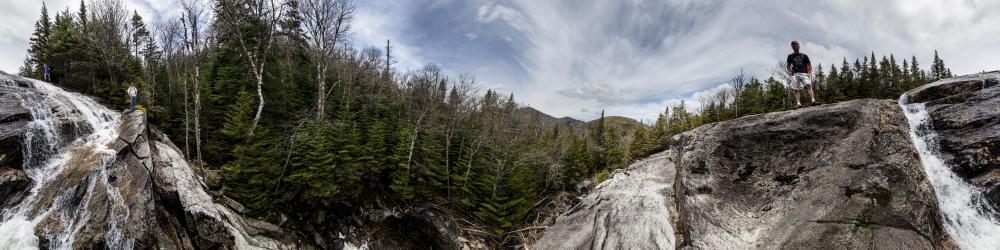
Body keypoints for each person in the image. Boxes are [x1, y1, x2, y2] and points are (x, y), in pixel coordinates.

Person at [786, 41, 817, 107]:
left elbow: (809, 65)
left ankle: (813, 101)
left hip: (804, 73)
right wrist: (789, 72)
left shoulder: (804, 56)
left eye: (796, 46)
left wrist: (808, 73)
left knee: (809, 86)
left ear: (799, 46)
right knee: (796, 89)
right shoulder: (790, 56)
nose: (795, 47)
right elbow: (788, 66)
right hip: (795, 74)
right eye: (793, 46)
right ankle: (798, 103)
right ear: (792, 47)